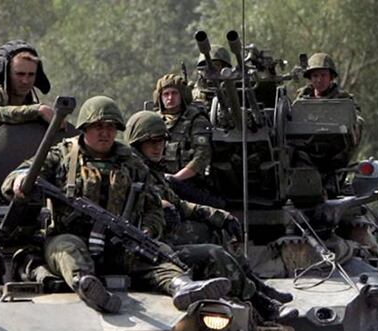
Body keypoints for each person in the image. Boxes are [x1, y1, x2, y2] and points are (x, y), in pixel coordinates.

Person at [3, 95, 229, 314]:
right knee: (66, 247)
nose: (105, 133)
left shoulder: (131, 162)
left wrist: (149, 230)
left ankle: (181, 286)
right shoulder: (63, 155)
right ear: (85, 128)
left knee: (156, 253)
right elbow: (19, 176)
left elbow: (154, 207)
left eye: (111, 127)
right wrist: (22, 178)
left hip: (119, 243)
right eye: (98, 126)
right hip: (70, 237)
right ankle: (87, 284)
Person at [124, 110, 293, 320]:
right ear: (137, 143)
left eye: (161, 141)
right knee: (213, 252)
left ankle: (257, 287)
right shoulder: (130, 172)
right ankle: (260, 303)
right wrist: (161, 207)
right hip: (148, 248)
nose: (158, 147)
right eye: (151, 142)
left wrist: (218, 215)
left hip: (161, 242)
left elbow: (178, 204)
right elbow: (147, 207)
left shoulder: (151, 171)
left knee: (215, 230)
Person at [0, 40, 54, 165]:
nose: (25, 80)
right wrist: (35, 111)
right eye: (20, 74)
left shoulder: (38, 110)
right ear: (6, 74)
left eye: (31, 75)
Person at [152, 73, 214, 194]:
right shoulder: (154, 120)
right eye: (166, 94)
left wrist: (175, 179)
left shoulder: (196, 119)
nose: (170, 98)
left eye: (174, 93)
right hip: (158, 182)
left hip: (189, 184)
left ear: (182, 95)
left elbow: (202, 157)